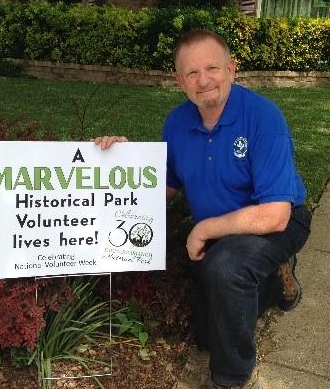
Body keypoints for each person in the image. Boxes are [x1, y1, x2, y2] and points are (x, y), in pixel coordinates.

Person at [95, 29, 311, 389]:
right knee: (208, 335)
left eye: (212, 68)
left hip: (277, 223)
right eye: (191, 73)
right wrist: (122, 161)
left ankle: (233, 378)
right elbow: (162, 188)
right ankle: (274, 280)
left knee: (225, 268)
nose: (203, 80)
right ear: (180, 81)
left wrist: (203, 229)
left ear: (232, 69)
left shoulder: (263, 117)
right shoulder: (177, 122)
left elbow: (276, 214)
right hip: (227, 235)